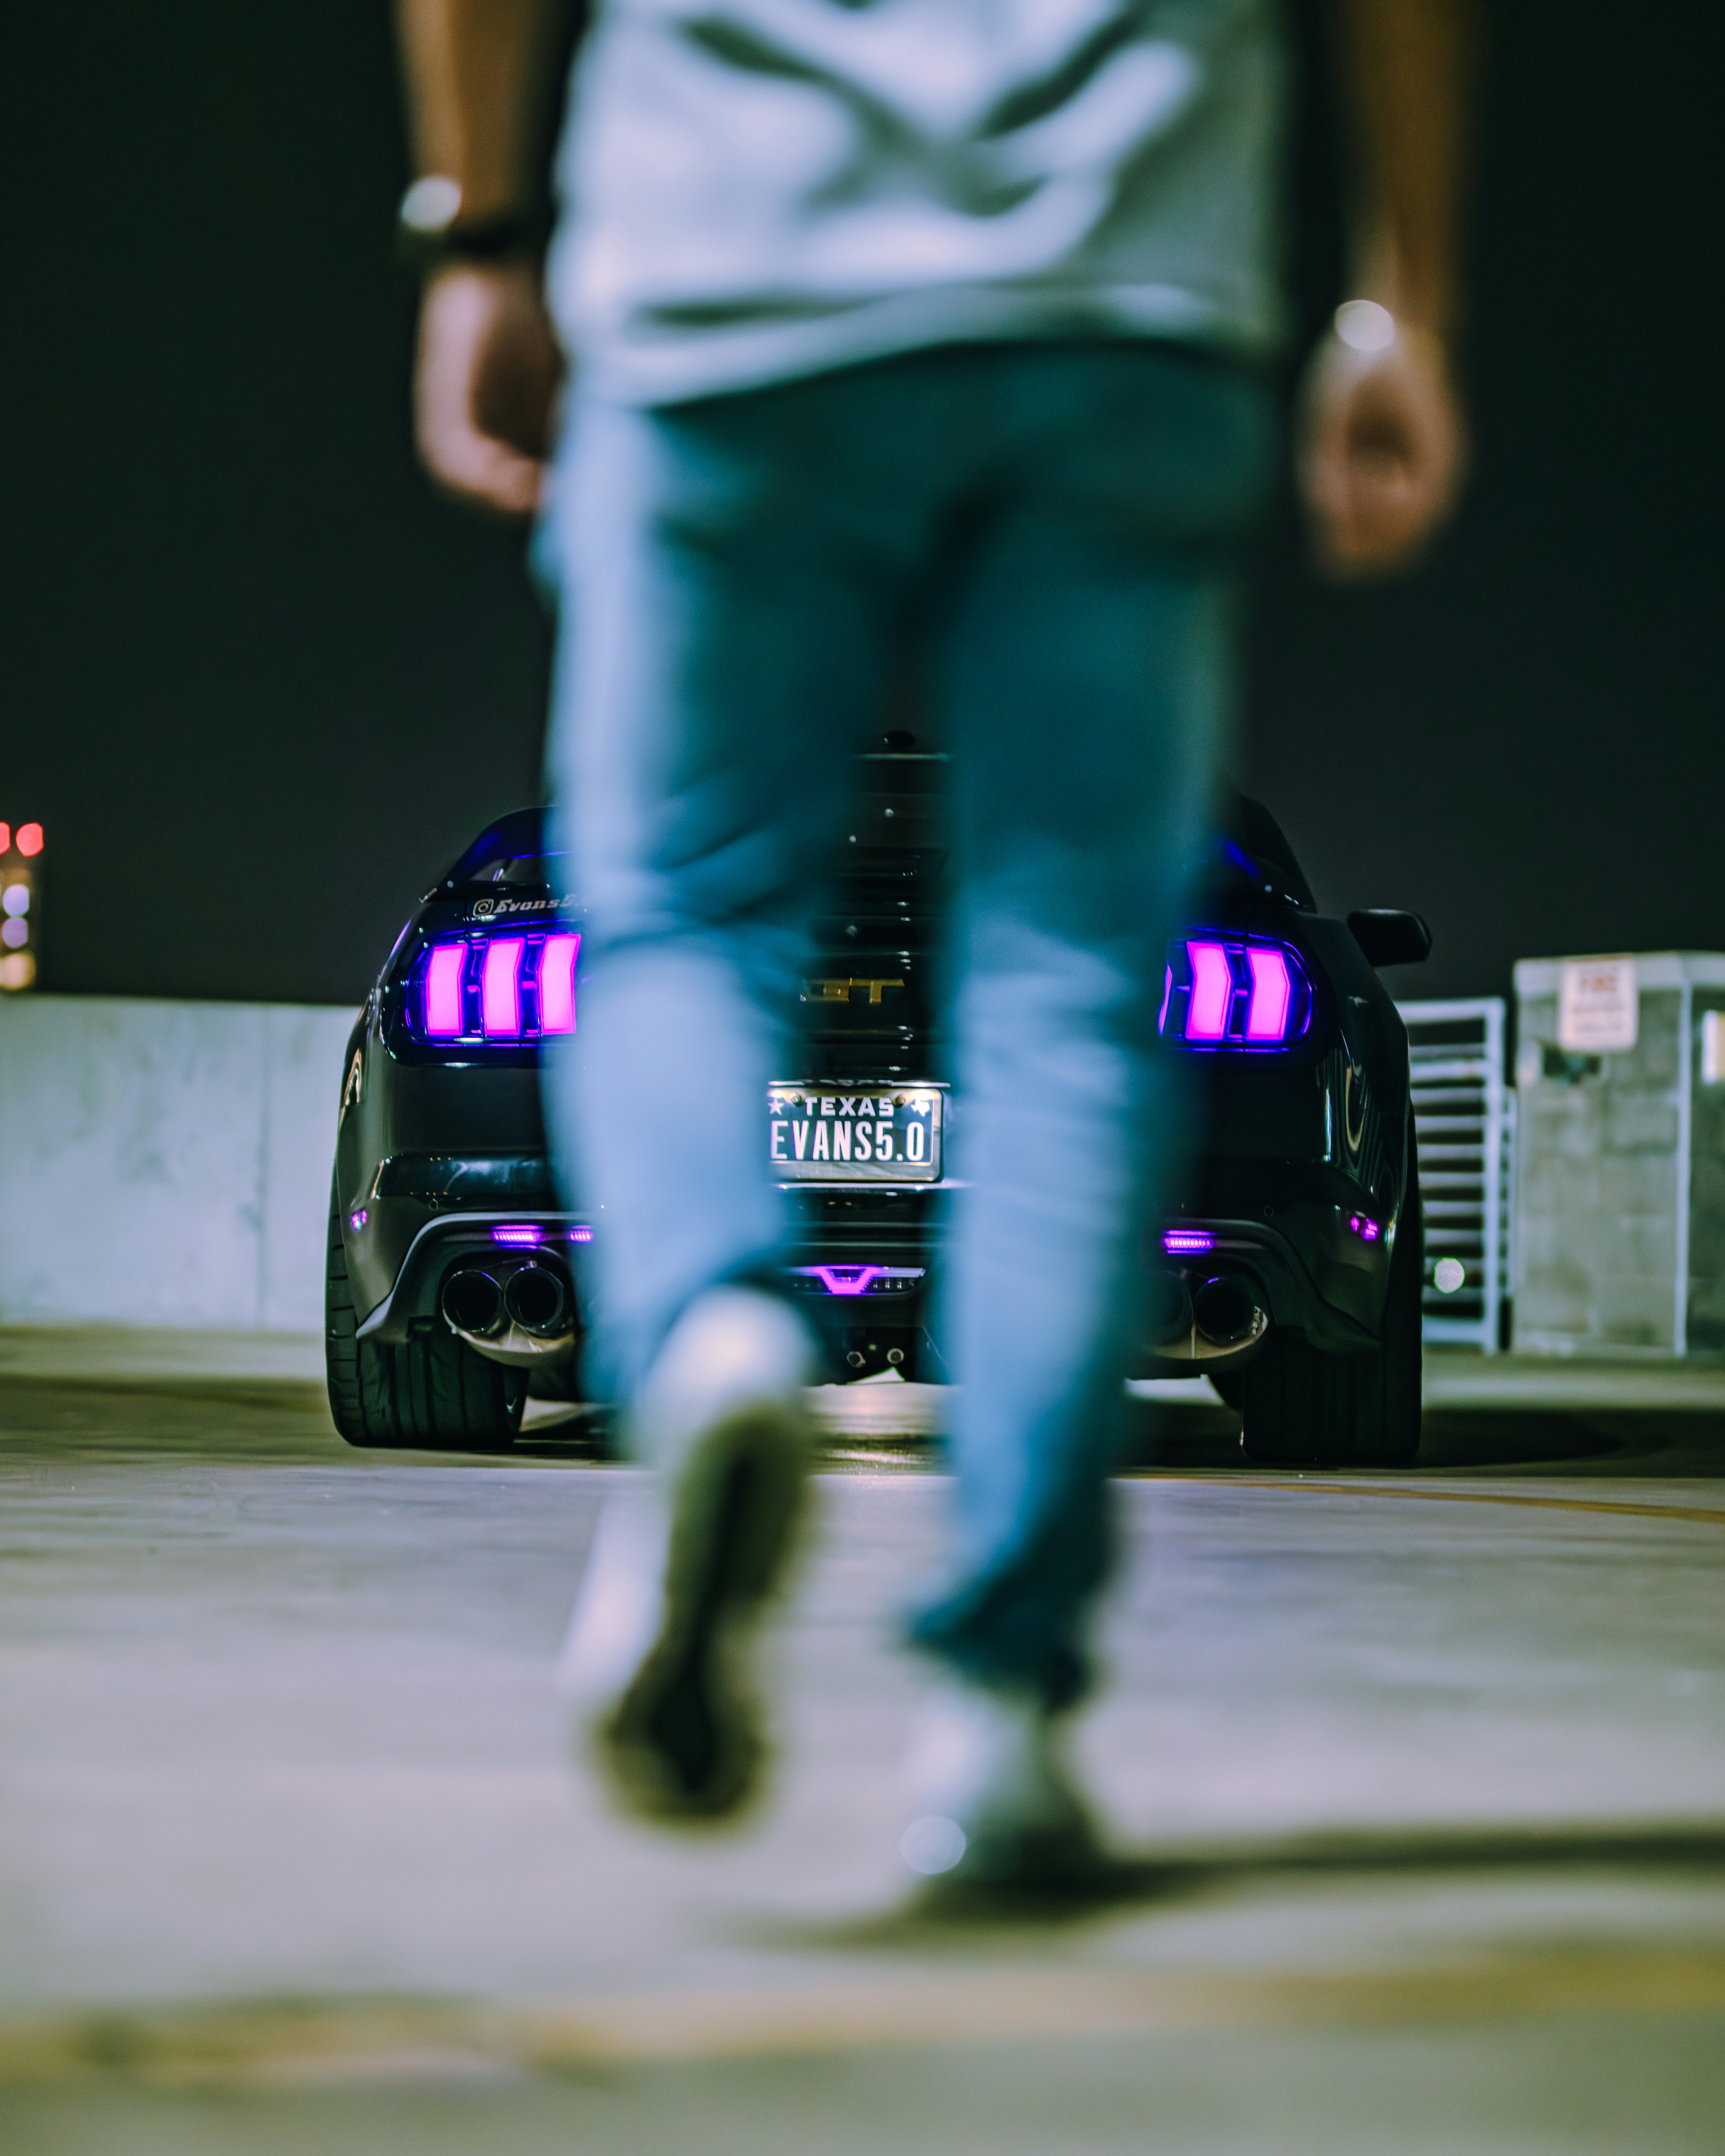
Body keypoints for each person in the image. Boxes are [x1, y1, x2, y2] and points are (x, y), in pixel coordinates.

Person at [396, 0, 1471, 1885]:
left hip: (730, 270)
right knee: (1070, 985)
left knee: (677, 918)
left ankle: (719, 1331)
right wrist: (1405, 296)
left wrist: (482, 235)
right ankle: (1004, 1717)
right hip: (1126, 290)